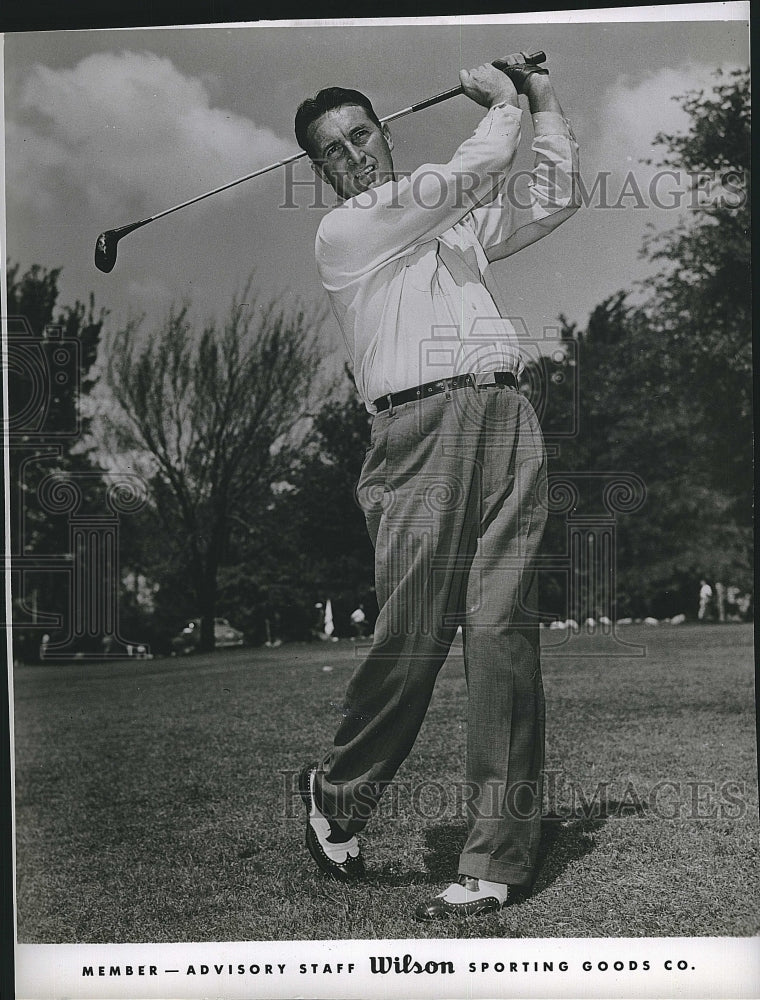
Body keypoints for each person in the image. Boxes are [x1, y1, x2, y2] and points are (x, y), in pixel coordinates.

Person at [294, 53, 579, 919]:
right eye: (333, 152)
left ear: (385, 132)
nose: (354, 157)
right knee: (413, 639)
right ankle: (337, 796)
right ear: (321, 175)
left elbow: (555, 194)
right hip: (416, 436)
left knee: (501, 635)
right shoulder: (346, 235)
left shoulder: (452, 226)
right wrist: (497, 103)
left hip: (505, 415)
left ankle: (495, 857)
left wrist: (542, 99)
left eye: (362, 135)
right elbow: (476, 167)